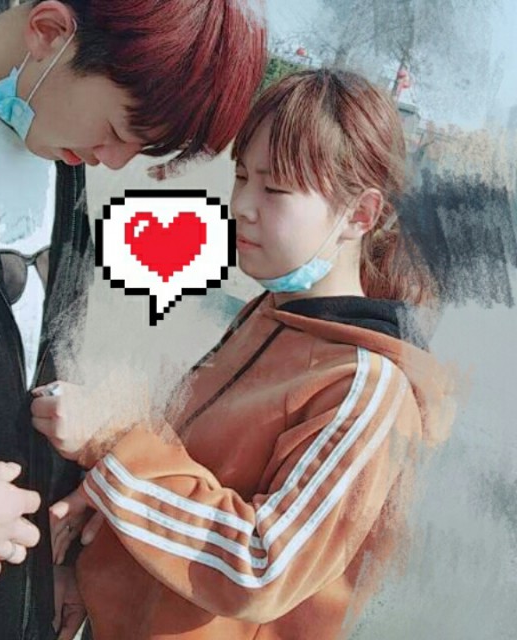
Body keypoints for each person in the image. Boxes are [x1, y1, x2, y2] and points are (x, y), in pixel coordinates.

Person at [0, 0, 266, 638]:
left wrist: (59, 564)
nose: (112, 161)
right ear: (50, 32)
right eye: (115, 130)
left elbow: (38, 363)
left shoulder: (60, 160)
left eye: (140, 149)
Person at [33, 69, 454, 639]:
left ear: (360, 214)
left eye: (275, 189)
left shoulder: (365, 387)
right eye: (240, 177)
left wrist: (115, 448)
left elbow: (261, 567)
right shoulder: (268, 316)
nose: (241, 206)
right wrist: (93, 539)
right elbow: (185, 470)